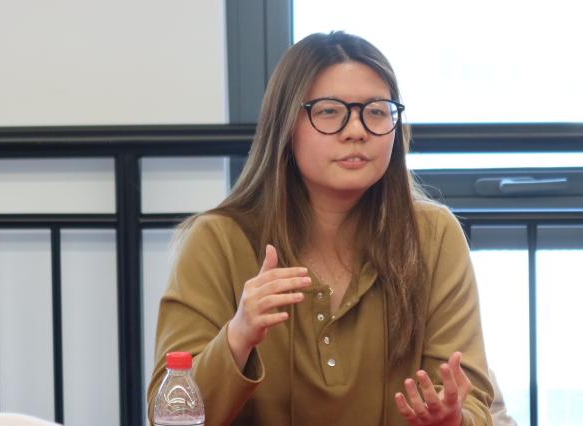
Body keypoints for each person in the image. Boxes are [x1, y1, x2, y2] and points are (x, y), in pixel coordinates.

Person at [147, 31, 494, 425]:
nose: (357, 130)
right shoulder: (216, 240)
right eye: (329, 111)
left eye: (377, 111)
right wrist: (238, 336)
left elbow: (471, 401)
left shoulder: (434, 236)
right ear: (286, 126)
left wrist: (453, 419)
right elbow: (167, 415)